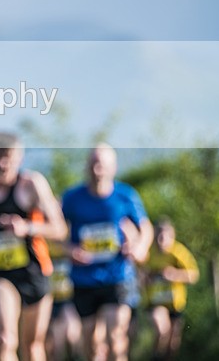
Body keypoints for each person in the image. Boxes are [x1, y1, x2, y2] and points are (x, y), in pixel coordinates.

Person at [0, 132, 68, 361]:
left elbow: (60, 229)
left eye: (8, 157)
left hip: (35, 271)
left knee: (33, 347)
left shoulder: (32, 184)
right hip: (0, 274)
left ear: (19, 157)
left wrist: (27, 228)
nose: (3, 164)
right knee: (6, 339)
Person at [61, 144, 153, 361]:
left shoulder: (126, 195)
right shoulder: (72, 198)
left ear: (113, 167)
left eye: (102, 164)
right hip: (84, 278)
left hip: (118, 275)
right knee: (90, 341)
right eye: (93, 164)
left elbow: (146, 228)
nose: (97, 169)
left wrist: (138, 247)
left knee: (116, 335)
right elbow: (56, 232)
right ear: (87, 166)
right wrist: (69, 250)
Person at [143, 218, 199, 361]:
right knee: (162, 330)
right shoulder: (149, 252)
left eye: (165, 237)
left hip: (175, 303)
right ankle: (155, 357)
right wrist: (146, 278)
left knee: (173, 344)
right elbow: (138, 271)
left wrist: (174, 275)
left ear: (172, 236)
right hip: (155, 301)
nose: (162, 240)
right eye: (159, 236)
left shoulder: (178, 252)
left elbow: (193, 275)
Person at [45, 241, 82, 361]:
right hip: (48, 299)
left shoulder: (73, 235)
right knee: (54, 346)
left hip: (70, 298)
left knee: (73, 337)